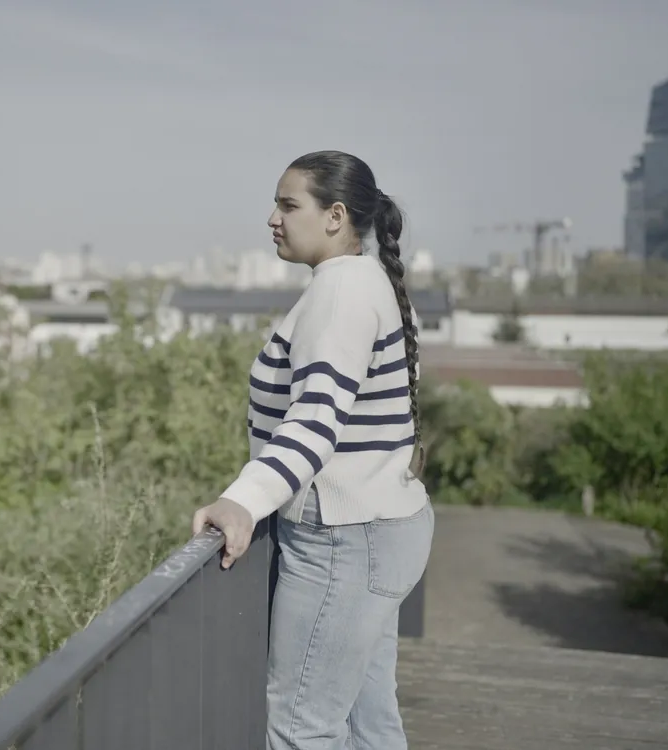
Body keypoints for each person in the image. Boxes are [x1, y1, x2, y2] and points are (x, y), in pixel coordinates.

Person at [191, 150, 434, 750]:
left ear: (335, 216)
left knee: (302, 726)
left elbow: (315, 420)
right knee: (366, 722)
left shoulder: (342, 289)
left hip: (342, 543)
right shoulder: (363, 280)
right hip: (380, 531)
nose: (272, 218)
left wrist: (242, 501)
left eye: (287, 203)